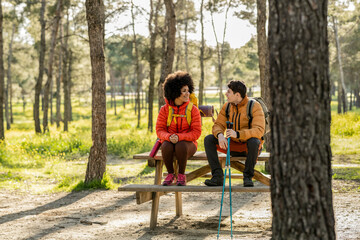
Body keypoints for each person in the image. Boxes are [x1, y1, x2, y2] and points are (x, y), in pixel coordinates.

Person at [204, 80, 265, 187]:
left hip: (249, 148)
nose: (226, 94)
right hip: (232, 146)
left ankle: (248, 177)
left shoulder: (255, 106)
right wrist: (220, 135)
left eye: (228, 92)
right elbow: (218, 125)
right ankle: (217, 176)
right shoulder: (227, 106)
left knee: (254, 141)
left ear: (237, 95)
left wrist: (237, 134)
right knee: (209, 139)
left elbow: (259, 130)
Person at [156, 71, 202, 186]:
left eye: (188, 90)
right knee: (165, 145)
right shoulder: (164, 110)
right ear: (175, 92)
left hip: (188, 145)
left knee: (181, 145)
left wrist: (179, 137)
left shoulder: (193, 110)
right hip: (170, 143)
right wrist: (169, 137)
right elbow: (159, 130)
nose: (188, 94)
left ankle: (181, 175)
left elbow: (196, 132)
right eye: (184, 91)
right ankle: (170, 174)